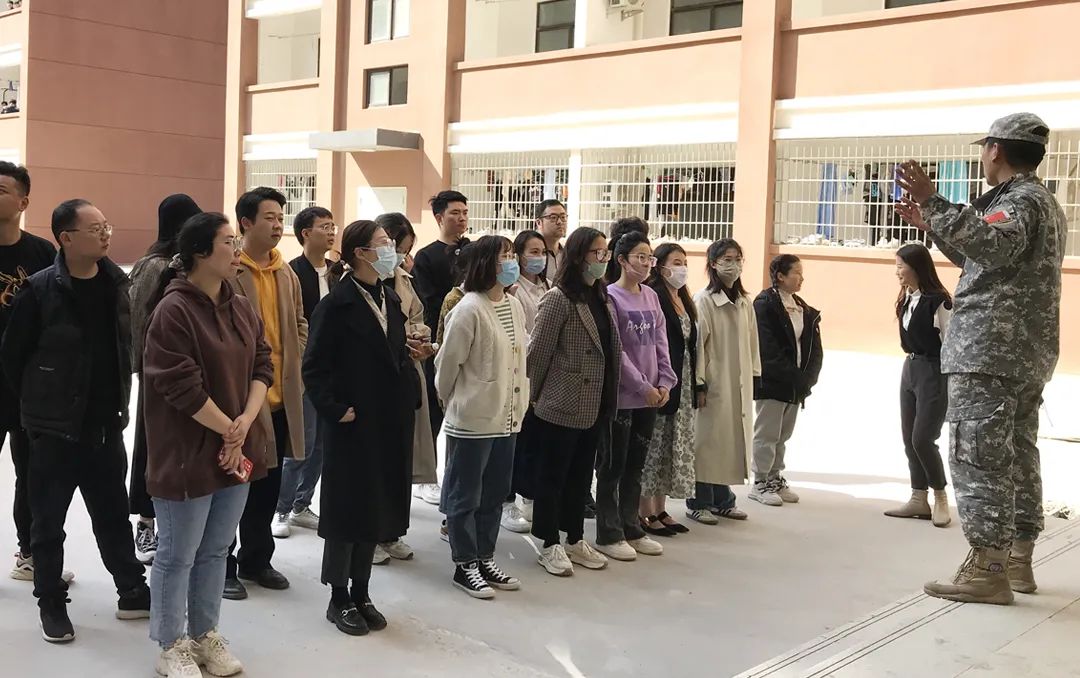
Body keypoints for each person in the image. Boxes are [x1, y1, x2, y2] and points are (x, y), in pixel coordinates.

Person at [896, 112, 1066, 605]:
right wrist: (932, 224)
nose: (983, 158)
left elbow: (990, 247)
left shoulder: (1020, 201)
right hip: (1021, 353)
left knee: (979, 456)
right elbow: (985, 258)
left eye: (984, 150)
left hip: (991, 350)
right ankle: (1016, 561)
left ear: (996, 149)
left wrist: (933, 201)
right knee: (1017, 453)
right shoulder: (1040, 201)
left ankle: (988, 569)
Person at [1, 199, 150, 642]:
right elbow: (12, 357)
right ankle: (50, 602)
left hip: (105, 425)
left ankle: (132, 590)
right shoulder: (40, 290)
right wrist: (40, 406)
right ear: (66, 239)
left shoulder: (117, 284)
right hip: (53, 431)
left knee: (113, 515)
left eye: (106, 226)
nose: (105, 234)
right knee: (48, 524)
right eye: (94, 228)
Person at [142, 212, 271, 678]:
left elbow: (263, 364)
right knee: (177, 554)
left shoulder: (240, 304)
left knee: (216, 550)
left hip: (235, 446)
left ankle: (204, 634)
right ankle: (170, 643)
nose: (236, 250)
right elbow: (180, 385)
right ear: (199, 252)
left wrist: (244, 423)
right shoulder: (173, 310)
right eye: (228, 242)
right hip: (187, 451)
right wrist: (230, 430)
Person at [303, 220, 417, 635]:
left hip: (387, 420)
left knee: (375, 506)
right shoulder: (336, 305)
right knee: (347, 511)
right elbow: (314, 367)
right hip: (352, 422)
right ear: (360, 253)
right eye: (384, 244)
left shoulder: (389, 296)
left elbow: (394, 354)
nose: (392, 251)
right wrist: (335, 410)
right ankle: (338, 596)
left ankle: (362, 590)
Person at [223, 187, 307, 600]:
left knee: (268, 484)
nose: (277, 225)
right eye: (269, 218)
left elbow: (300, 321)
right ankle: (223, 565)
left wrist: (296, 355)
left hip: (278, 398)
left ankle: (257, 559)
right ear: (245, 223)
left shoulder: (284, 271)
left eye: (280, 218)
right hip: (240, 401)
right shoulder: (228, 271)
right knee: (232, 485)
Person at [435, 235, 526, 600]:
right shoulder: (468, 308)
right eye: (505, 256)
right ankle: (464, 563)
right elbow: (446, 366)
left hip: (508, 417)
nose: (512, 262)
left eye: (513, 255)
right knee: (465, 495)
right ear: (487, 263)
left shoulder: (514, 305)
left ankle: (485, 557)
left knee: (494, 494)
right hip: (473, 419)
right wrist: (456, 400)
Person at [527, 227, 617, 576]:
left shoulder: (601, 296)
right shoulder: (559, 298)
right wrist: (533, 399)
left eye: (605, 253)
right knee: (553, 476)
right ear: (579, 256)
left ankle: (574, 537)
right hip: (560, 402)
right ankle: (549, 542)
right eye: (598, 253)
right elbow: (538, 354)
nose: (603, 259)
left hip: (594, 401)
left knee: (580, 476)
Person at [128, 193, 202, 565]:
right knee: (151, 446)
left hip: (192, 374)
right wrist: (146, 367)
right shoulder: (154, 265)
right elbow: (136, 320)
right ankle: (145, 522)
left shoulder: (192, 262)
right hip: (157, 375)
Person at [593, 231, 675, 561]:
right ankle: (608, 533)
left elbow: (661, 342)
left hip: (652, 397)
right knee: (612, 466)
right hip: (624, 396)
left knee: (636, 466)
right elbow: (617, 352)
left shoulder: (651, 296)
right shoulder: (610, 296)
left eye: (649, 257)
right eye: (640, 257)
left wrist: (665, 382)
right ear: (622, 260)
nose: (646, 263)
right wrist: (643, 386)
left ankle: (632, 527)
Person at [0, 162, 64, 584]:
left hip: (29, 388)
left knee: (33, 477)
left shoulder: (43, 254)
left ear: (23, 202)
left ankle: (30, 554)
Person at [374, 211, 435, 563]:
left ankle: (392, 531)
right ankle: (370, 535)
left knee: (401, 458)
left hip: (407, 372)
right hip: (378, 379)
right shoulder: (356, 284)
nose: (399, 256)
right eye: (395, 248)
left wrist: (419, 335)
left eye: (404, 250)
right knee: (376, 463)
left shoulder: (403, 278)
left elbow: (417, 317)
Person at [272, 206, 336, 540]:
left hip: (334, 371)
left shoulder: (338, 272)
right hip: (305, 370)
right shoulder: (292, 273)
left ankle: (301, 504)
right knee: (301, 444)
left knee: (322, 445)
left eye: (333, 225)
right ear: (306, 233)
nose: (331, 231)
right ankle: (281, 508)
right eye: (324, 226)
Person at [688, 238, 759, 525]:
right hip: (714, 383)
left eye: (737, 259)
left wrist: (755, 375)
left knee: (729, 441)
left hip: (738, 382)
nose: (733, 265)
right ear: (713, 264)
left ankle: (723, 499)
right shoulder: (703, 300)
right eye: (727, 259)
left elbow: (752, 343)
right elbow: (697, 346)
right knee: (707, 442)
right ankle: (699, 501)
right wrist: (699, 383)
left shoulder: (744, 302)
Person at [881, 244, 952, 526]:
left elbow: (950, 341)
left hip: (933, 370)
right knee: (909, 437)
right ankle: (918, 498)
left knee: (923, 438)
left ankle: (940, 497)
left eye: (900, 266)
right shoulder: (906, 298)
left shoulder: (939, 301)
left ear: (917, 267)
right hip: (910, 368)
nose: (897, 271)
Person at [749, 254, 823, 507]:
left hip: (795, 385)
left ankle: (774, 476)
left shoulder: (803, 307)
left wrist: (808, 378)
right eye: (797, 273)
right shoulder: (765, 304)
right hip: (773, 382)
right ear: (780, 276)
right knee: (767, 434)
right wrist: (793, 376)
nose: (802, 278)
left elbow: (814, 347)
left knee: (783, 435)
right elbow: (767, 348)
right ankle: (760, 481)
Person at [639, 243, 698, 536]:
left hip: (682, 383)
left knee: (670, 448)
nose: (682, 268)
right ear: (660, 266)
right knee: (654, 447)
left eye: (684, 262)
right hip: (662, 380)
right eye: (676, 262)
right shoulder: (655, 297)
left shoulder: (683, 298)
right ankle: (644, 511)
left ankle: (661, 508)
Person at [500, 228, 549, 534]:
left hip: (542, 374)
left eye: (542, 252)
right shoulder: (513, 290)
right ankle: (507, 501)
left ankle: (527, 495)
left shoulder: (548, 287)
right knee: (514, 441)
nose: (539, 258)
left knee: (533, 441)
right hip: (519, 370)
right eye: (533, 252)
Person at [412, 191, 470, 445]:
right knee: (436, 407)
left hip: (472, 339)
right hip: (440, 337)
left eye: (465, 212)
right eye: (454, 213)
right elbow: (428, 301)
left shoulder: (473, 250)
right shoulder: (426, 256)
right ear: (439, 218)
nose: (461, 218)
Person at [534, 199, 567, 280]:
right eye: (553, 217)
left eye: (563, 217)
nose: (559, 222)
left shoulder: (568, 254)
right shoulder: (531, 254)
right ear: (539, 223)